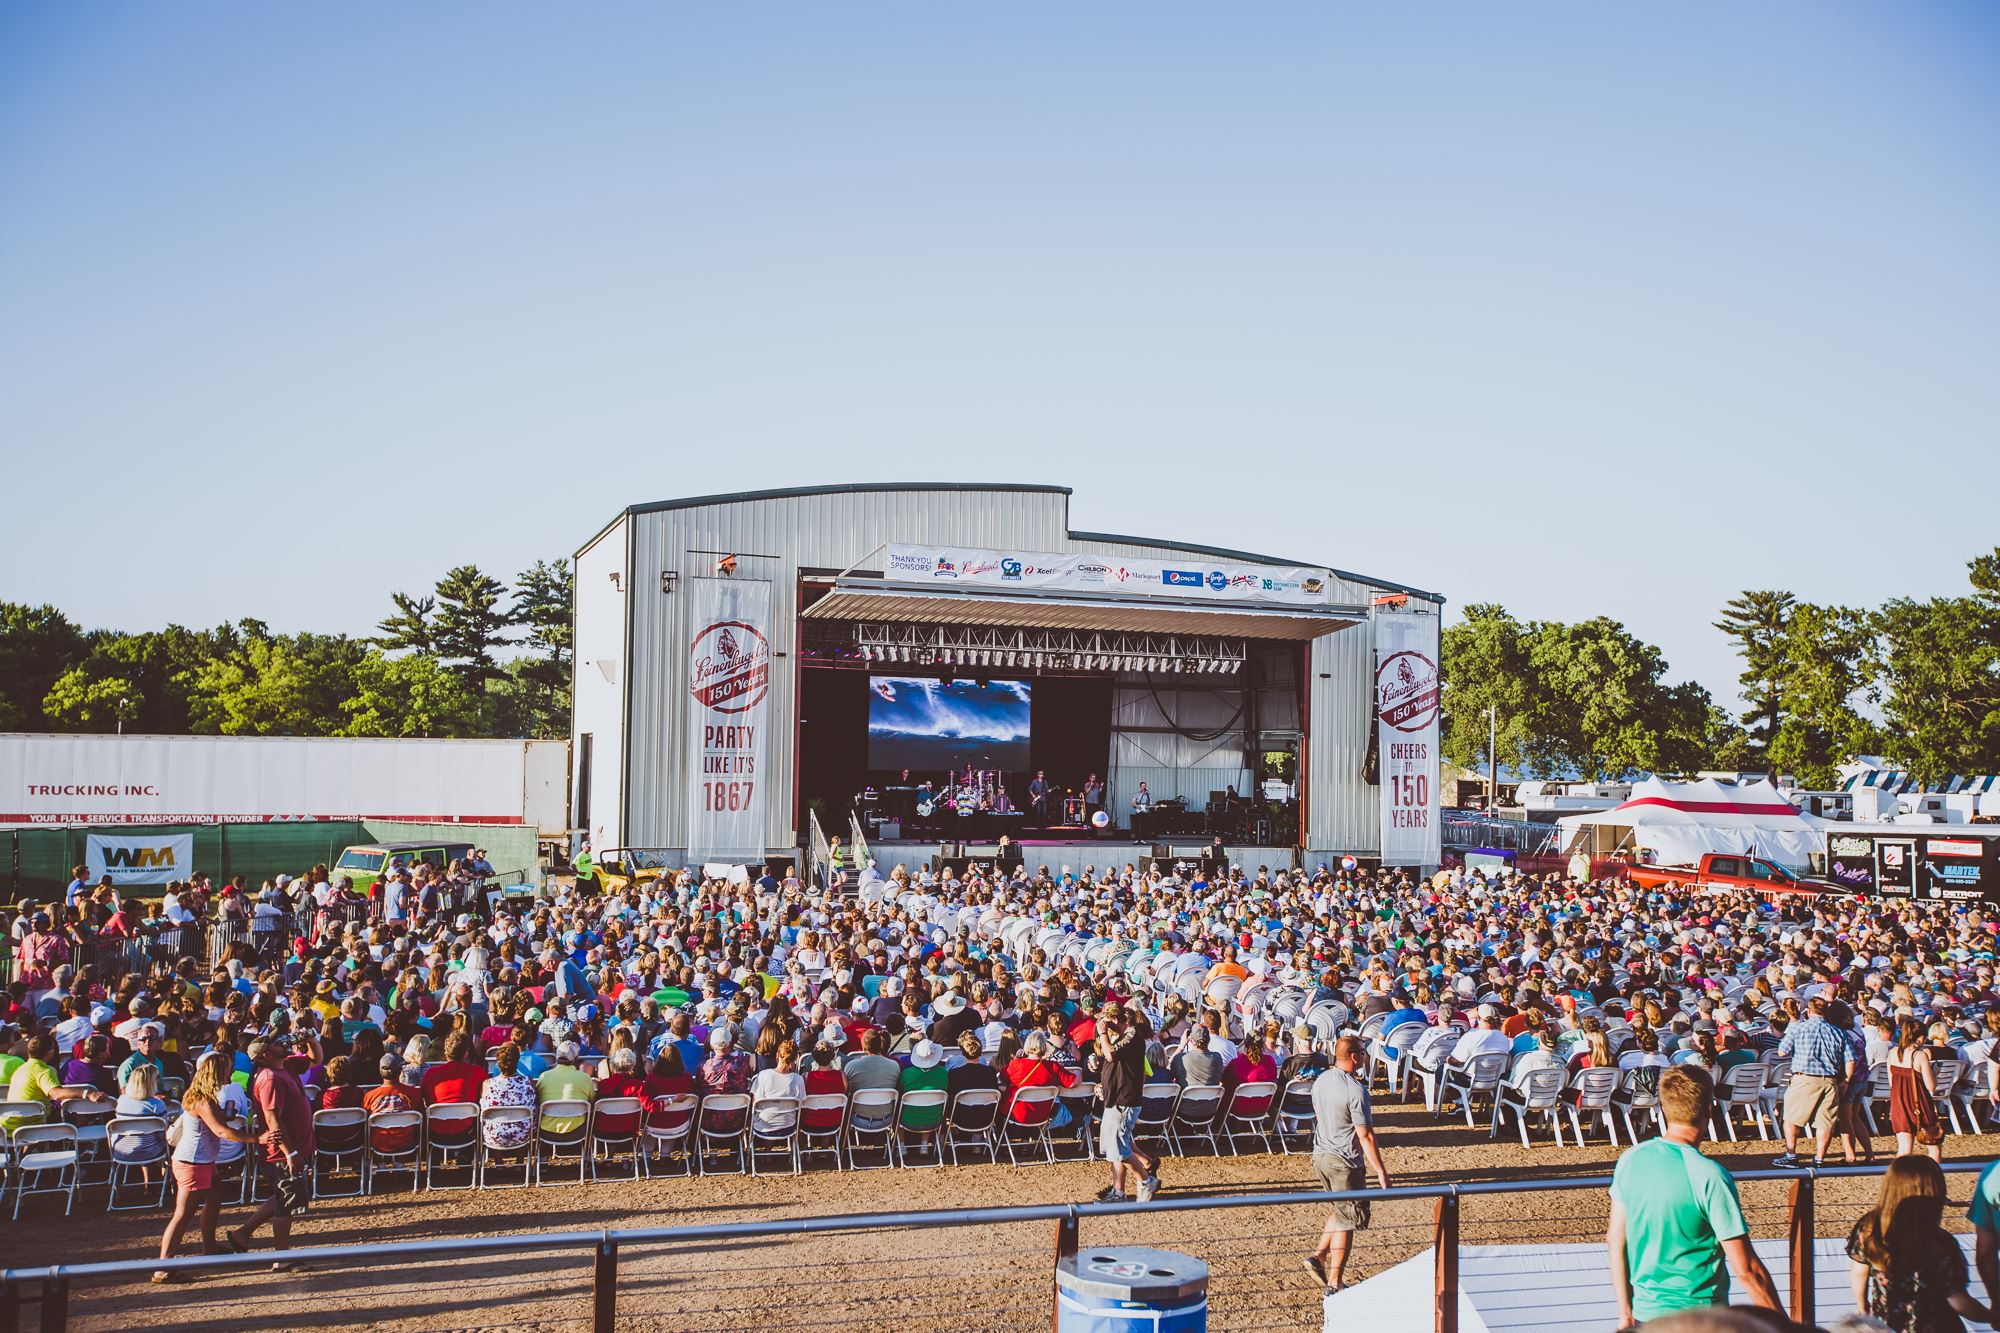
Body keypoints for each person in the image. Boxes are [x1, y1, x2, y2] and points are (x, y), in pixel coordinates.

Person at [1605, 1066, 1781, 1325]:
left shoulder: (1631, 1159)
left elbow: (1615, 1239)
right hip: (1700, 1319)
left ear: (1664, 1108)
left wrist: (1625, 1313)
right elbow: (1747, 1271)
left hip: (1646, 1316)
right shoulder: (1709, 1175)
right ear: (1709, 1110)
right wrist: (1782, 1325)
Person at [1849, 1154, 1992, 1332]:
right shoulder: (1941, 1243)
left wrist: (1863, 1309)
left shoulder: (1869, 1227)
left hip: (1887, 1325)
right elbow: (1958, 1302)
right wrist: (1990, 1317)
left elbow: (1859, 1273)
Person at [153, 1052, 256, 1284]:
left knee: (215, 1196)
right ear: (217, 1072)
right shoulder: (202, 1099)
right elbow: (221, 1131)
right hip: (193, 1162)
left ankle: (209, 1247)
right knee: (182, 1214)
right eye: (228, 1068)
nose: (232, 1071)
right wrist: (257, 1139)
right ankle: (163, 1267)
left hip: (203, 1160)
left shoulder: (204, 1096)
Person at [1303, 1035, 1388, 1292]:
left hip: (1321, 1154)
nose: (1365, 1056)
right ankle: (1335, 1281)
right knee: (1348, 1220)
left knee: (1340, 1209)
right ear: (1354, 1056)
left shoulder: (1321, 1080)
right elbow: (1366, 1135)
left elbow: (1318, 1114)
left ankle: (1318, 1256)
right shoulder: (1356, 1090)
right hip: (1344, 1160)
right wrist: (1381, 1171)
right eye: (1362, 1052)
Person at [225, 1037, 317, 1264]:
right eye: (273, 1044)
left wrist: (310, 1039)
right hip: (280, 1152)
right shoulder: (270, 1078)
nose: (279, 1043)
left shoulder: (286, 1066)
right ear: (265, 1055)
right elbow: (272, 1118)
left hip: (290, 1147)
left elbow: (316, 1059)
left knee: (281, 1196)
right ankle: (281, 1258)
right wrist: (290, 1153)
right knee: (286, 1201)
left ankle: (241, 1234)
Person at [1772, 997, 1854, 1169]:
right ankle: (1819, 1158)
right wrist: (1846, 1080)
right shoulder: (1838, 1032)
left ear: (1808, 1011)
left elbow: (1781, 1051)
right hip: (1830, 1080)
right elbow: (1850, 1059)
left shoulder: (1799, 1028)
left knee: (1792, 1118)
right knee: (1825, 1122)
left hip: (1804, 1078)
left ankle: (1791, 1155)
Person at [1093, 1001, 1160, 1204]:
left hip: (1125, 1100)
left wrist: (1103, 1033)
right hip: (1116, 1098)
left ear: (1114, 1019)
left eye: (1104, 1020)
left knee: (1120, 1149)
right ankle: (1119, 1191)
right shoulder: (1124, 1037)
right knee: (1114, 1149)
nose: (1101, 1024)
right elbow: (1113, 1059)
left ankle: (1146, 1180)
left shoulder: (1132, 1035)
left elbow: (1111, 1055)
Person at [1887, 1017, 1945, 1163]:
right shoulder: (1919, 1056)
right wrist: (1935, 1073)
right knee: (1934, 1145)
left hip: (1899, 1103)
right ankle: (1934, 1175)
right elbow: (1931, 1086)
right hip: (1919, 1103)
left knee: (1904, 1149)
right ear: (1920, 1037)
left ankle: (1900, 1179)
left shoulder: (1893, 1053)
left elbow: (1891, 1081)